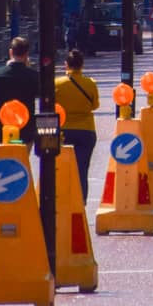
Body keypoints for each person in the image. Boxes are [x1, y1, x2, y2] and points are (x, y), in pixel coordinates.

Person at [55, 49, 100, 201]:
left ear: (66, 65)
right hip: (86, 130)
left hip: (63, 130)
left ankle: (61, 199)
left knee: (61, 168)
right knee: (82, 168)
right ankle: (80, 201)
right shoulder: (90, 83)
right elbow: (95, 105)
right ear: (82, 65)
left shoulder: (57, 84)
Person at [0, 37, 39, 146]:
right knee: (22, 161)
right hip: (24, 132)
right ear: (26, 54)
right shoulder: (34, 76)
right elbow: (40, 93)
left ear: (10, 52)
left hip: (0, 131)